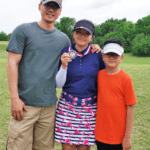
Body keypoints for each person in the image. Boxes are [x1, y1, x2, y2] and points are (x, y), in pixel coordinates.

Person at [6, 0, 102, 150]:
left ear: (60, 11)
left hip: (49, 106)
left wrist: (94, 47)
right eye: (48, 6)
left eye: (55, 7)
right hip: (25, 105)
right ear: (39, 7)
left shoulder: (63, 39)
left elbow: (79, 48)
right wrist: (14, 99)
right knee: (18, 147)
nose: (51, 10)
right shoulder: (23, 30)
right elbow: (12, 64)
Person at [55, 19, 106, 150]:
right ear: (73, 33)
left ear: (92, 37)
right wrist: (64, 66)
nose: (82, 36)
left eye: (86, 33)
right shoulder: (65, 51)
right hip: (67, 107)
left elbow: (103, 80)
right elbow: (59, 84)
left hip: (89, 109)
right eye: (79, 32)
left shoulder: (97, 54)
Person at [95, 39, 138, 150]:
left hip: (118, 138)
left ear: (122, 58)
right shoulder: (99, 75)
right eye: (108, 54)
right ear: (103, 56)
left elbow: (130, 107)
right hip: (101, 135)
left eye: (115, 55)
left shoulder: (126, 79)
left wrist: (127, 137)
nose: (112, 58)